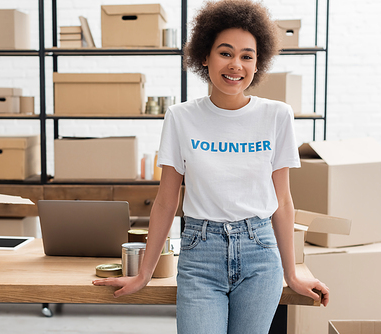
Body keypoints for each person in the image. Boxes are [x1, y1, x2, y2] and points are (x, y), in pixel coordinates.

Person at [93, 0, 330, 332]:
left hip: (260, 254)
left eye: (247, 56)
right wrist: (144, 272)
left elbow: (283, 202)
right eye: (226, 52)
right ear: (205, 56)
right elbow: (165, 201)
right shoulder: (180, 117)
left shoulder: (277, 116)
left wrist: (292, 275)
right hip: (200, 253)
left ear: (258, 63)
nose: (236, 65)